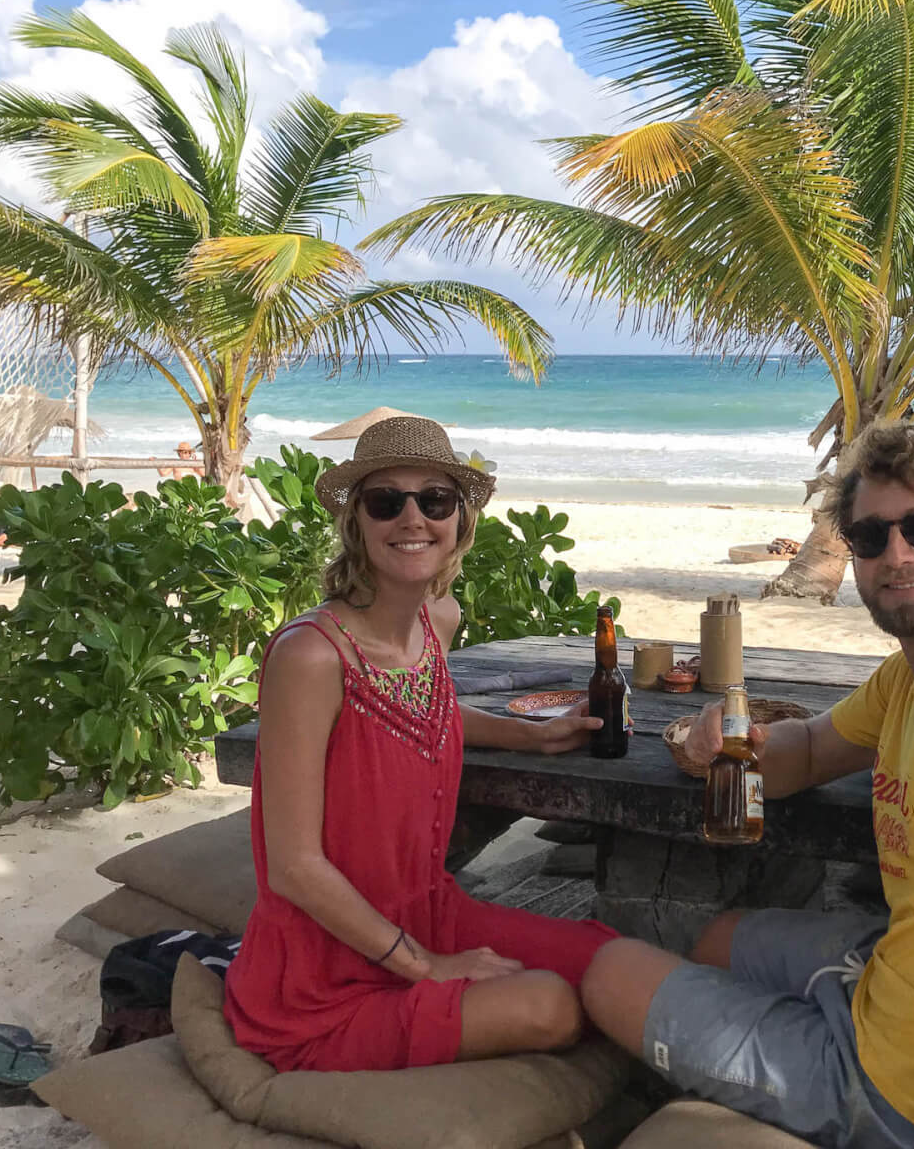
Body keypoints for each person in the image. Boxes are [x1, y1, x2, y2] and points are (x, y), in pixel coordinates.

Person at [579, 422, 914, 1149]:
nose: (897, 555)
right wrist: (729, 742)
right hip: (900, 981)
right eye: (870, 538)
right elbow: (809, 750)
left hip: (904, 1087)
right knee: (720, 937)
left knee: (611, 971)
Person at [223, 416, 619, 1071]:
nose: (413, 519)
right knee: (550, 1005)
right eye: (387, 502)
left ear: (459, 519)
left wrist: (529, 735)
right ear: (356, 523)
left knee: (609, 958)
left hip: (432, 909)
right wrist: (428, 967)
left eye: (433, 500)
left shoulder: (438, 620)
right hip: (321, 984)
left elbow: (419, 704)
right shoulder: (310, 656)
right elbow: (294, 867)